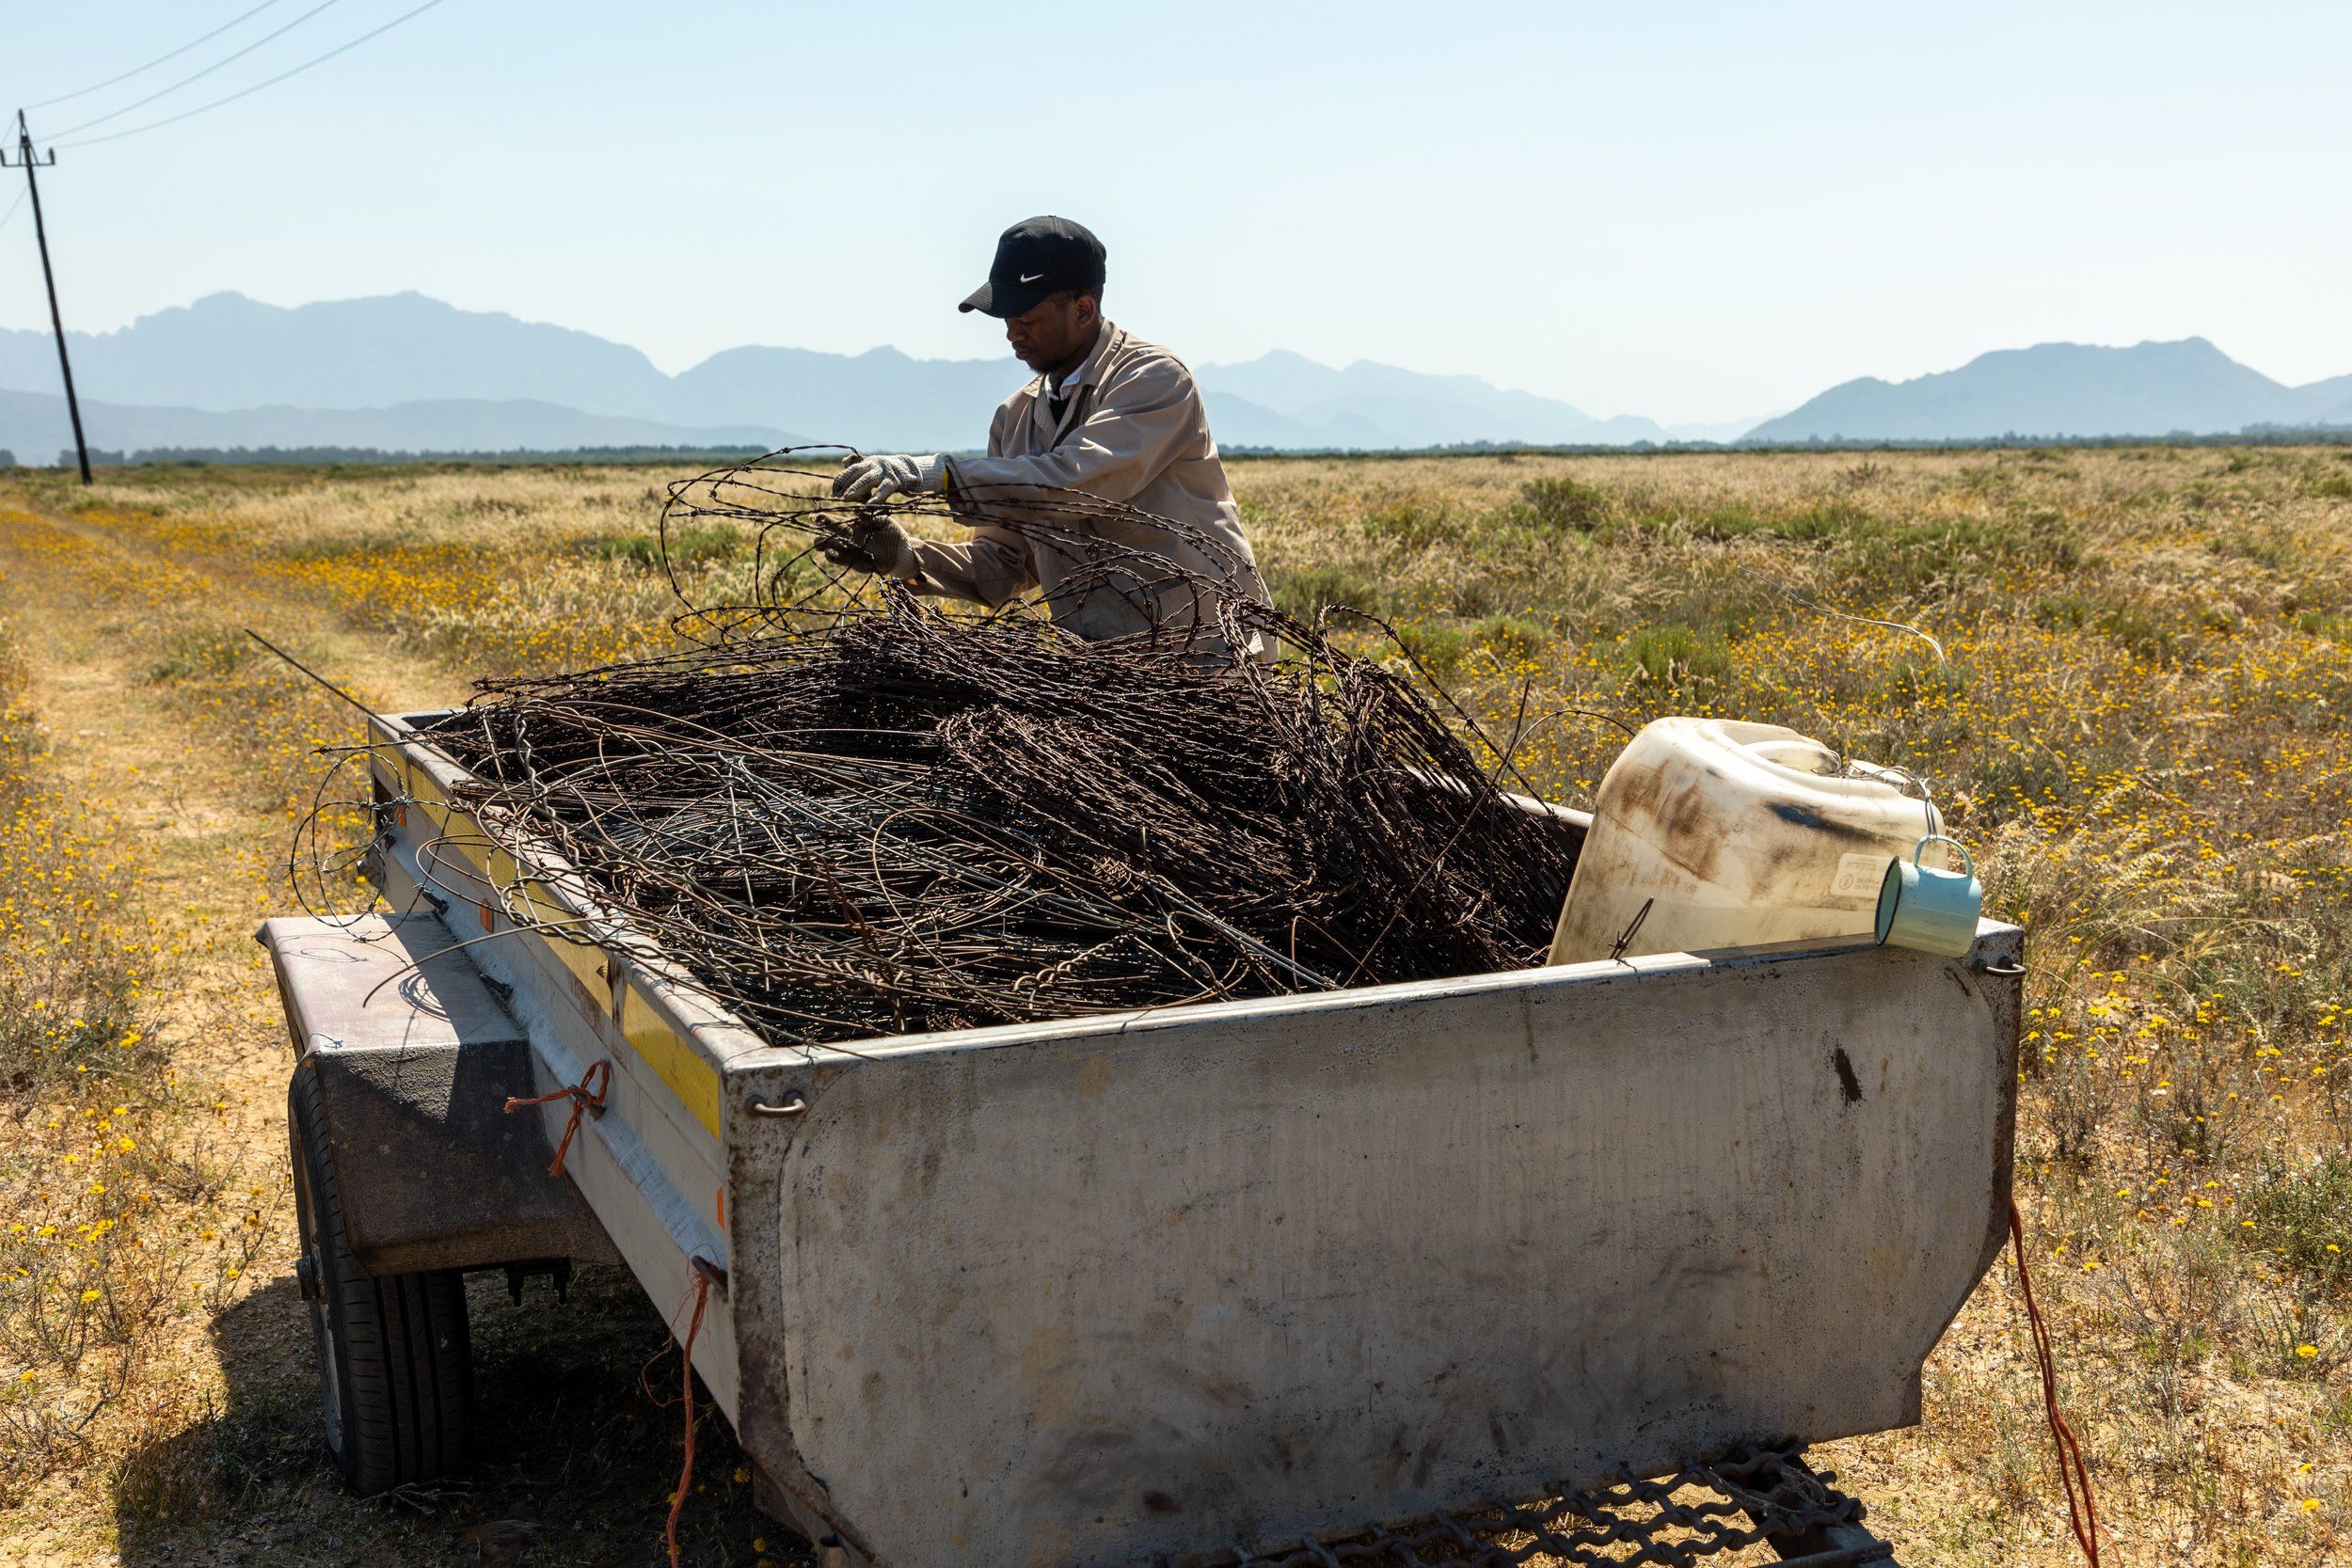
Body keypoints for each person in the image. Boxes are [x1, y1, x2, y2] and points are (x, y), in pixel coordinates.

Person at [824, 216, 1272, 660]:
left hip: (1209, 655)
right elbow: (1004, 562)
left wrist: (936, 474)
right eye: (1004, 318)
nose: (1011, 332)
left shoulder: (1153, 380)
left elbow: (1074, 485)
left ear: (1082, 310)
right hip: (1104, 668)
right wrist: (908, 558)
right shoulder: (1014, 417)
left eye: (1026, 317)